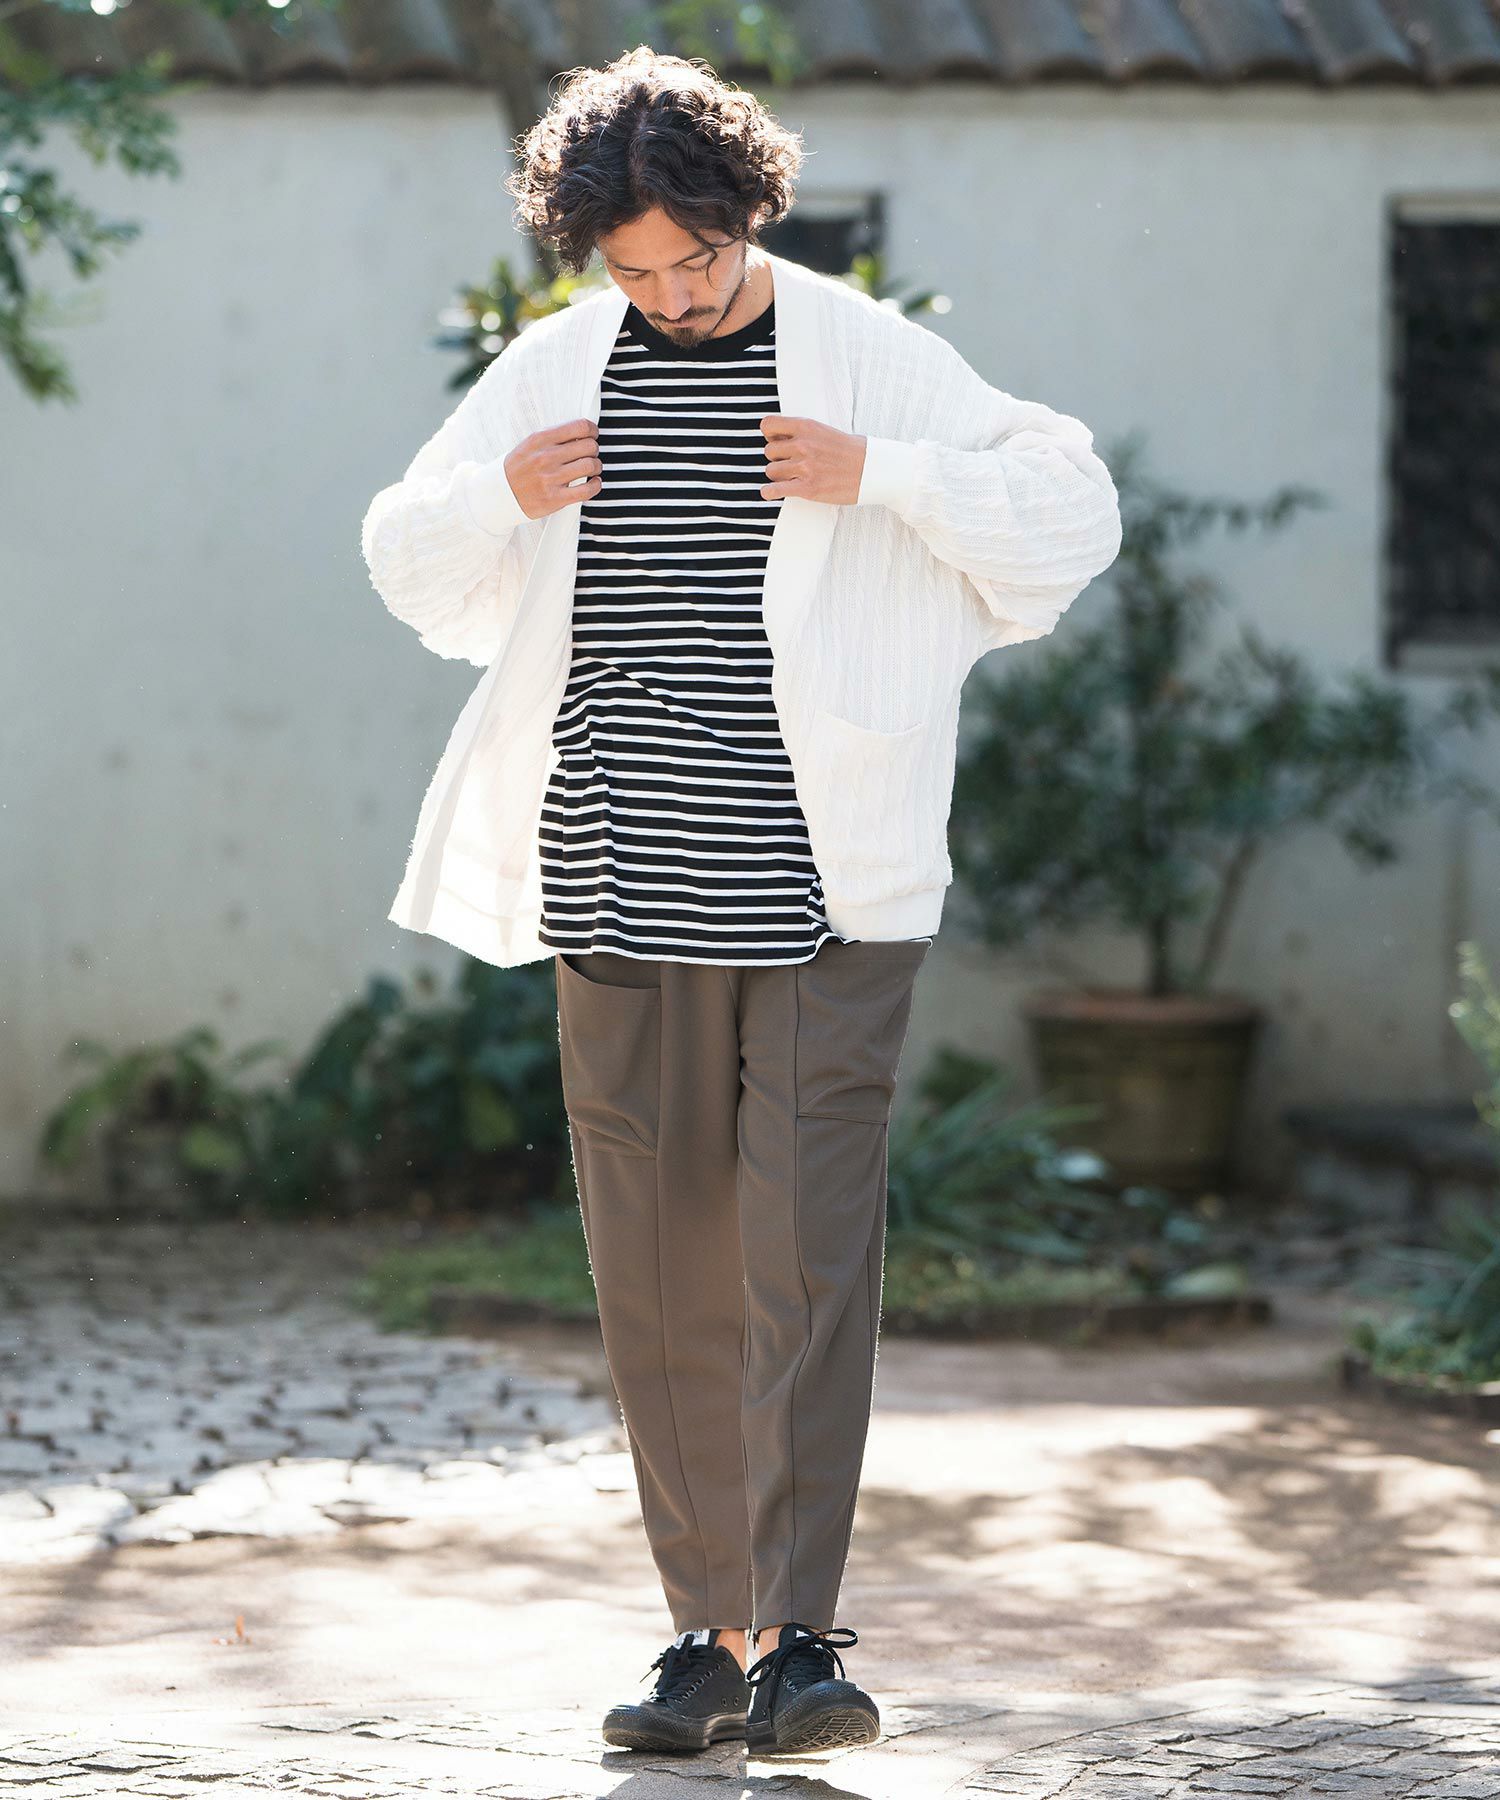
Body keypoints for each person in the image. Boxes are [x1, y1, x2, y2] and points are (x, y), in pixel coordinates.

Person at [360, 44, 1121, 1760]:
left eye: (694, 261)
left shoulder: (863, 355)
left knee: (802, 1249)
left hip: (824, 887)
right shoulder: (556, 369)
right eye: (635, 272)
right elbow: (408, 558)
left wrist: (884, 475)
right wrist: (501, 495)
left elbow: (1070, 511)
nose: (673, 297)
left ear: (746, 214)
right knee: (656, 1261)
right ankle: (703, 1640)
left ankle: (802, 1641)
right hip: (618, 873)